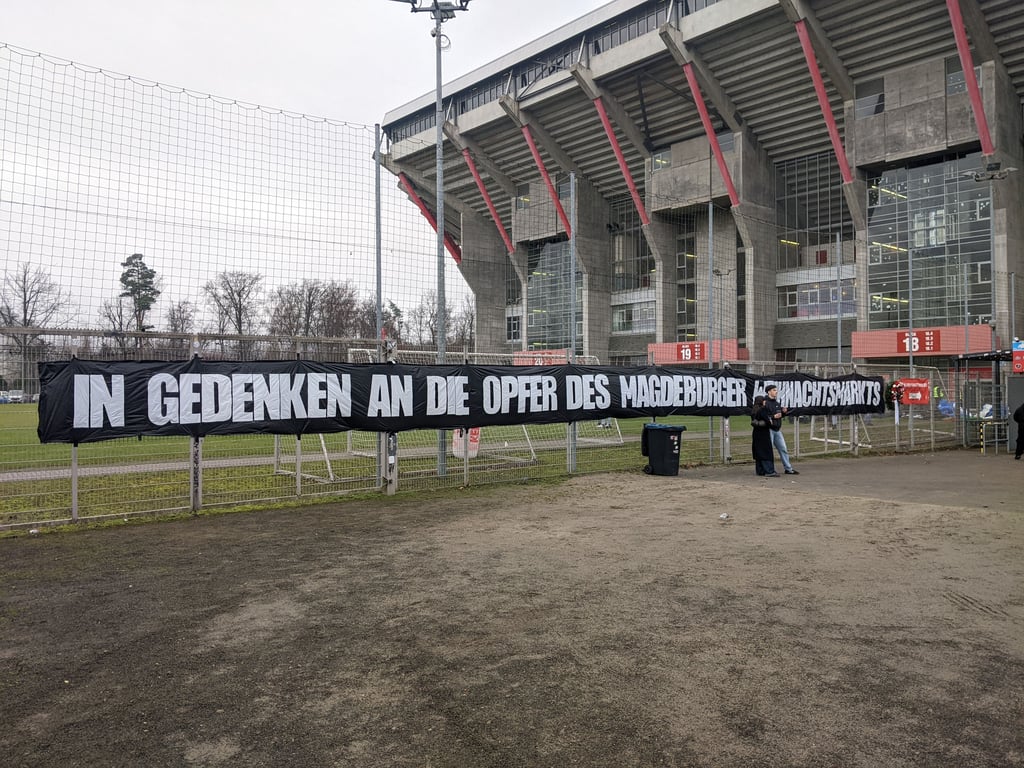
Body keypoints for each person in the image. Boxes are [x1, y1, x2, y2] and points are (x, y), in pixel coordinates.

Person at [764, 384, 799, 475]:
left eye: (776, 390)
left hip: (777, 429)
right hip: (769, 430)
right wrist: (773, 416)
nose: (776, 392)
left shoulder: (776, 403)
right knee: (768, 450)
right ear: (769, 391)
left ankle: (788, 468)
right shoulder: (765, 403)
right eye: (774, 390)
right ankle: (769, 470)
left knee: (783, 449)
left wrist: (783, 413)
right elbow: (763, 416)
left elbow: (779, 415)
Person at [750, 395, 779, 477]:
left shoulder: (753, 410)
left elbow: (754, 422)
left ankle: (760, 470)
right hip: (763, 433)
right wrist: (771, 423)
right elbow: (767, 420)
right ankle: (769, 470)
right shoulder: (763, 409)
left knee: (758, 451)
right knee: (766, 452)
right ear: (762, 401)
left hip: (756, 433)